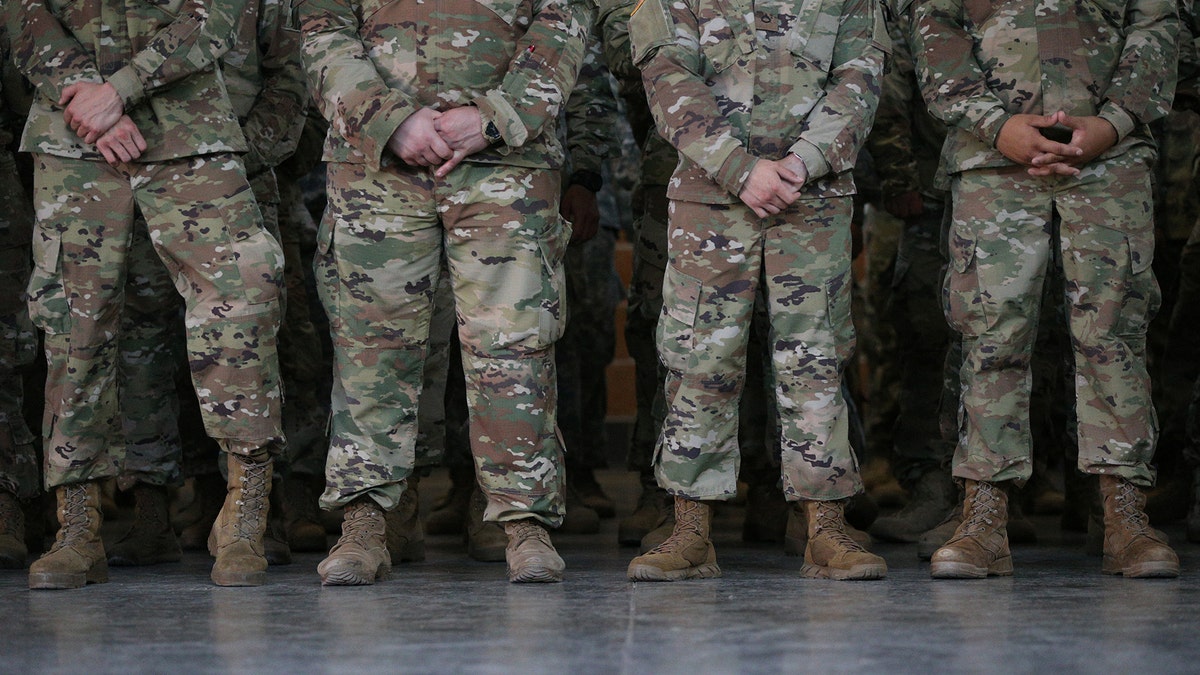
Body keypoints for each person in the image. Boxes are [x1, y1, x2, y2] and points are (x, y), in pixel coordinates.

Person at [299, 0, 593, 584]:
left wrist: (493, 115)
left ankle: (524, 523)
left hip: (506, 162)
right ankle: (365, 524)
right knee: (371, 350)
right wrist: (388, 120)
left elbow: (564, 17)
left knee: (515, 350)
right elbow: (321, 26)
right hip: (375, 165)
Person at [7, 0, 287, 589]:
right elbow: (23, 12)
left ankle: (243, 514)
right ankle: (77, 524)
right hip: (72, 135)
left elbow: (215, 16)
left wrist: (123, 89)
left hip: (191, 127)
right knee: (73, 325)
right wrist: (87, 96)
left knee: (239, 306)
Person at [912, 0, 1181, 578]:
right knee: (990, 333)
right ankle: (983, 515)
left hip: (1108, 164)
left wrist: (1113, 123)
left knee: (1113, 332)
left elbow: (1155, 28)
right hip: (992, 161)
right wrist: (994, 124)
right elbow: (935, 24)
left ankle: (1124, 514)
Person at [625, 0, 890, 581]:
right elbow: (668, 77)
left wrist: (803, 161)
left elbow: (861, 76)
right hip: (710, 197)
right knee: (700, 360)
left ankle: (825, 529)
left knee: (816, 360)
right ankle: (690, 532)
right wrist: (740, 168)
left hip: (812, 197)